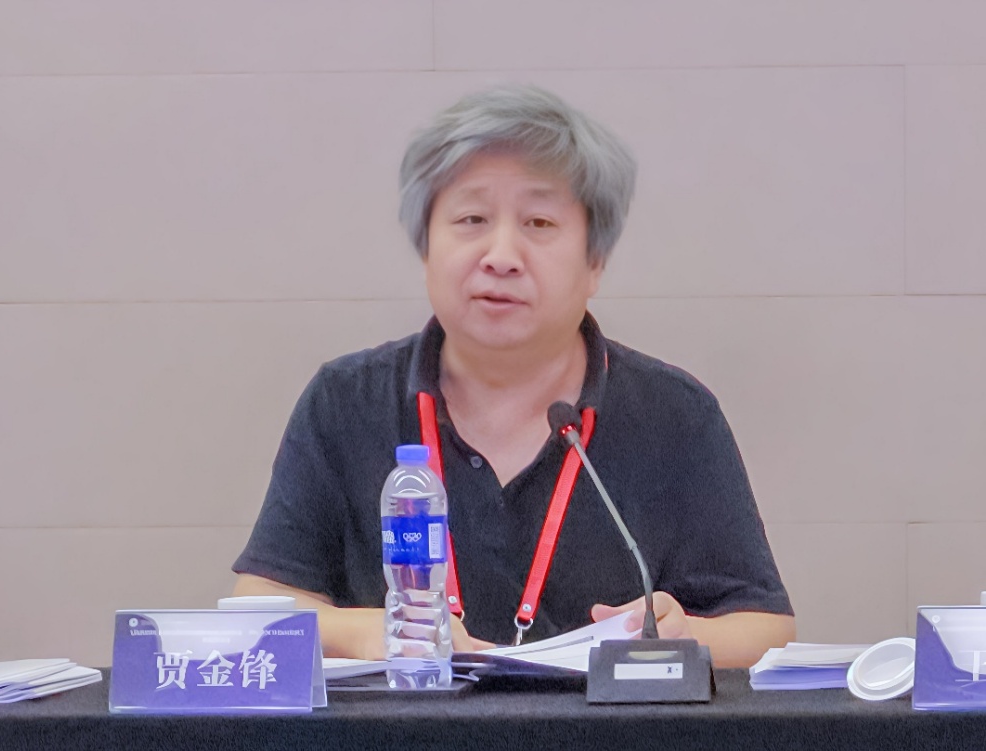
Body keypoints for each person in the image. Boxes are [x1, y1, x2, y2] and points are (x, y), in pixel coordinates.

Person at [232, 84, 795, 668]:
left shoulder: (674, 415)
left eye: (539, 222)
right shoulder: (345, 403)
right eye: (471, 219)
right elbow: (257, 605)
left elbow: (767, 628)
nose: (501, 255)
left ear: (595, 261)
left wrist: (684, 638)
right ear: (426, 249)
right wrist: (367, 631)